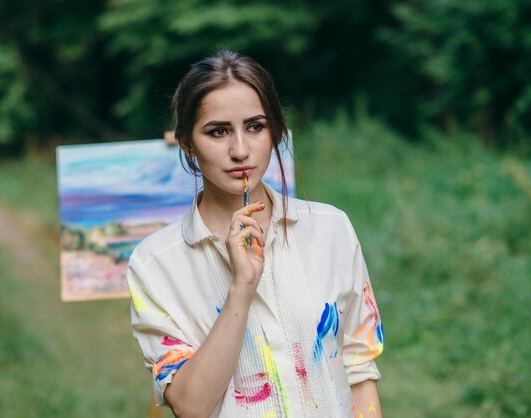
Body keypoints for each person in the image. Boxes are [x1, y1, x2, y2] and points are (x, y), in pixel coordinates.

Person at [128, 50, 384, 418]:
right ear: (186, 143)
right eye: (218, 131)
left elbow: (360, 370)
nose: (240, 150)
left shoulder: (331, 229)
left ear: (275, 130)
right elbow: (190, 407)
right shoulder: (155, 263)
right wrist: (241, 287)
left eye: (255, 127)